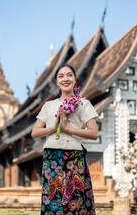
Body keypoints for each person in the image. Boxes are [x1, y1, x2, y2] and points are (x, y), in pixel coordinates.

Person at [32, 63, 99, 215]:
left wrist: (67, 129)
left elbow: (94, 133)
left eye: (69, 75)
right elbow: (35, 132)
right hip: (52, 156)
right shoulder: (48, 106)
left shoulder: (83, 104)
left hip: (74, 156)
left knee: (75, 200)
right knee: (53, 199)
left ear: (75, 79)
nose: (65, 79)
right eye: (61, 76)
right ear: (56, 82)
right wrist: (54, 127)